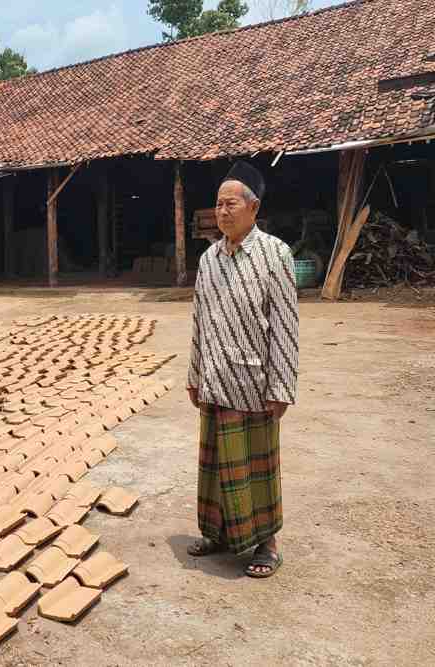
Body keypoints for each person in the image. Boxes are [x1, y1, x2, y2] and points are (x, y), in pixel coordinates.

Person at [185, 161, 298, 578]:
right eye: (218, 204)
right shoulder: (208, 259)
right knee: (215, 468)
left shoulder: (275, 255)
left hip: (254, 382)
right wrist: (194, 376)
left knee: (256, 468)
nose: (223, 211)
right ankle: (216, 534)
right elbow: (199, 321)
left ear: (253, 207)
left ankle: (266, 543)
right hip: (215, 377)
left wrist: (281, 385)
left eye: (231, 203)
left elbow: (285, 323)